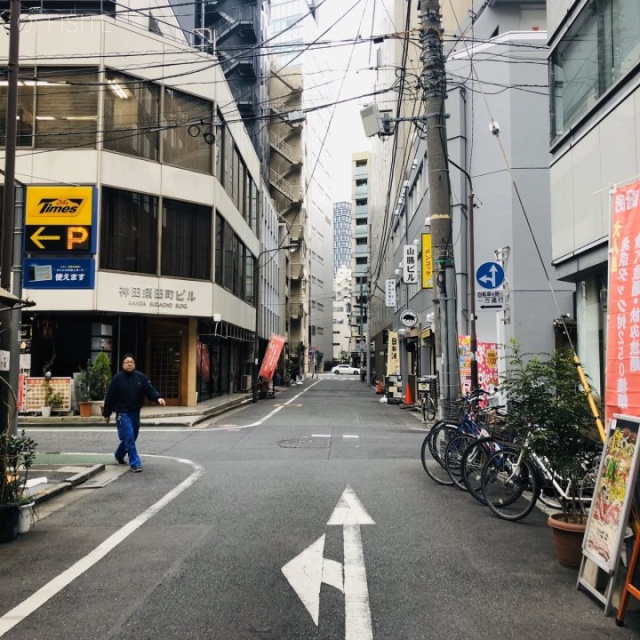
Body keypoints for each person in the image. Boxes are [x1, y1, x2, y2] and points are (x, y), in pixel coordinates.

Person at [103, 354, 166, 473]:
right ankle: (135, 463)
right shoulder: (117, 379)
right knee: (129, 436)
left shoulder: (140, 377)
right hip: (123, 413)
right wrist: (107, 414)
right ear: (122, 365)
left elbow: (149, 389)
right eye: (126, 362)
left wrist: (158, 398)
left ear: (134, 364)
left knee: (132, 436)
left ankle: (118, 455)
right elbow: (110, 397)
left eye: (131, 362)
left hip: (135, 412)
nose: (129, 364)